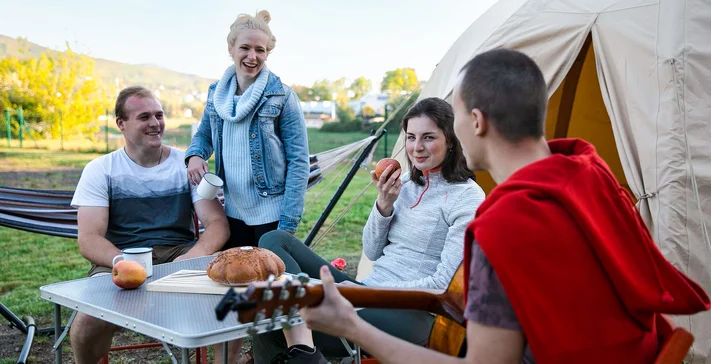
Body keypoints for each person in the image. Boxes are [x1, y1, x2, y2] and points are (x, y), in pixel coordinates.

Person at [297, 49, 711, 363]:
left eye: (454, 117)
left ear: (475, 123)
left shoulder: (503, 228)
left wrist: (351, 325)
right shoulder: (590, 174)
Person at [252, 97, 486, 363]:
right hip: (367, 292)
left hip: (413, 313)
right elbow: (372, 252)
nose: (417, 148)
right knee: (274, 240)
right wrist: (384, 204)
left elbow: (442, 285)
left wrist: (365, 295)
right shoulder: (404, 182)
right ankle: (302, 331)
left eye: (428, 137)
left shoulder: (467, 197)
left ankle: (301, 328)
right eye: (411, 137)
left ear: (451, 140)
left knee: (271, 325)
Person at [69, 86, 234, 364]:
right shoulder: (101, 169)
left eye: (159, 115)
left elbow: (217, 223)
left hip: (177, 253)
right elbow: (89, 238)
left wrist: (186, 260)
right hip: (120, 258)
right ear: (121, 124)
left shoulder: (186, 164)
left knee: (230, 296)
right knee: (87, 321)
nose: (155, 123)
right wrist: (124, 262)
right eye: (144, 117)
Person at [185, 10, 309, 249]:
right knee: (238, 279)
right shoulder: (216, 94)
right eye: (245, 48)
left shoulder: (282, 95)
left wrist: (289, 221)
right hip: (232, 211)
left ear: (267, 53)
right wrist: (195, 154)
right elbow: (204, 134)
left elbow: (299, 161)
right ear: (231, 49)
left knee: (268, 283)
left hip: (273, 215)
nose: (252, 56)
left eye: (260, 50)